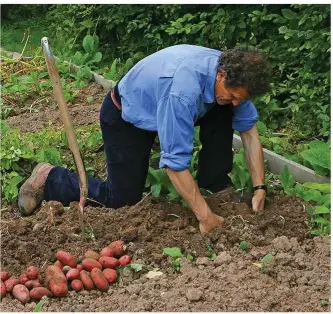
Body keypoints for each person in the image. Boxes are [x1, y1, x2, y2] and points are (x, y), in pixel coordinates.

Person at [18, 44, 270, 235]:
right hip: (126, 116)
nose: (237, 102)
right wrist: (206, 217)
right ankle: (51, 177)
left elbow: (248, 132)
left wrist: (260, 188)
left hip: (161, 105)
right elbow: (174, 165)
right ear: (222, 75)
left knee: (224, 110)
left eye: (242, 98)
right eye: (233, 94)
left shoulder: (230, 75)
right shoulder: (183, 92)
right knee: (121, 199)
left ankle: (213, 184)